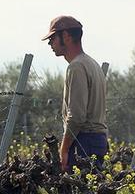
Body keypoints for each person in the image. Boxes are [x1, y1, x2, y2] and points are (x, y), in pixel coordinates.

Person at [41, 15, 107, 172]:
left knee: (81, 192)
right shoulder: (92, 64)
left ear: (66, 36)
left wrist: (63, 149)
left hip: (84, 140)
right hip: (97, 139)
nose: (50, 44)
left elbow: (76, 116)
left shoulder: (76, 67)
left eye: (53, 38)